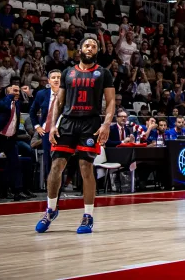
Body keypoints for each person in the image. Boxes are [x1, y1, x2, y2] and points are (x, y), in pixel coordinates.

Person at [36, 38, 116, 234]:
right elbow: (59, 102)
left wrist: (106, 124)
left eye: (94, 46)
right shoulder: (67, 72)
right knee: (56, 166)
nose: (90, 48)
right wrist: (53, 125)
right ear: (80, 49)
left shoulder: (103, 73)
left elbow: (111, 101)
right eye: (87, 45)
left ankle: (88, 215)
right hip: (68, 122)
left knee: (85, 167)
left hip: (90, 123)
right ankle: (51, 210)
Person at [0, 76, 32, 201]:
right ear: (7, 93)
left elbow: (29, 105)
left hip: (10, 139)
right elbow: (5, 107)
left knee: (15, 164)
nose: (17, 93)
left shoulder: (18, 104)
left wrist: (27, 94)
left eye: (18, 91)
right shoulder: (1, 103)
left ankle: (18, 191)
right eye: (14, 91)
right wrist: (10, 95)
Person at [31, 70, 61, 182]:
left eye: (59, 77)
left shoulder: (67, 94)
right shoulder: (41, 94)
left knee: (60, 160)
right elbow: (32, 111)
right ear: (49, 81)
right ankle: (50, 186)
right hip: (46, 131)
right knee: (48, 159)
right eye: (53, 77)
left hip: (62, 131)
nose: (56, 79)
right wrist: (37, 126)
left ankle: (60, 186)